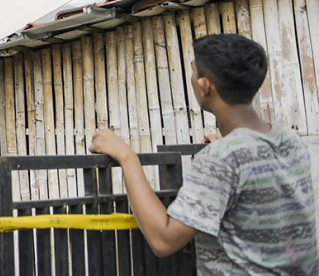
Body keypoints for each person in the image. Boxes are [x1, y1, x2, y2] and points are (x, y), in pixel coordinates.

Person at [90, 33, 318, 275]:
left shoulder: (224, 158)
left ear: (204, 85)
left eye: (193, 70)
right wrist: (230, 146)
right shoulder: (289, 141)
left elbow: (164, 240)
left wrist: (127, 157)